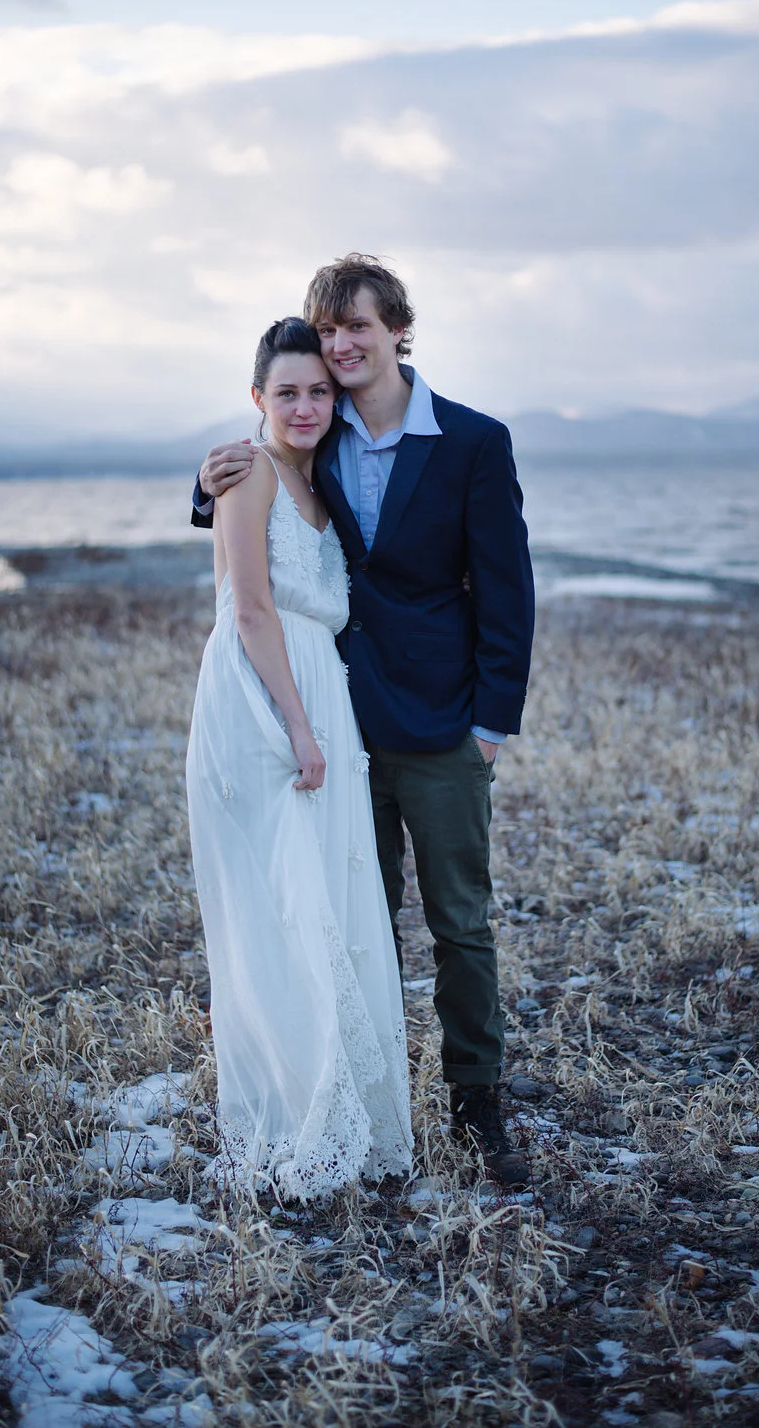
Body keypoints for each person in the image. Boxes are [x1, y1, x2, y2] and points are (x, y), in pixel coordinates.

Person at [191, 255, 536, 1189]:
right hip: (338, 719)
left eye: (359, 328)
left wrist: (492, 723)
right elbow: (265, 495)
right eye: (329, 329)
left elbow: (508, 589)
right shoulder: (321, 434)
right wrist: (206, 485)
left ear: (397, 331)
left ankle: (477, 1106)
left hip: (442, 722)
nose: (343, 346)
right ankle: (369, 1094)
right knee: (354, 916)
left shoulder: (472, 442)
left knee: (461, 921)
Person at [185, 316, 413, 1203]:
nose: (308, 404)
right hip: (263, 700)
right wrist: (301, 729)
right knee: (281, 905)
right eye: (288, 392)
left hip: (321, 695)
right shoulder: (245, 475)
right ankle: (295, 1118)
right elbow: (250, 609)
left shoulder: (320, 486)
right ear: (258, 400)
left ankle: (345, 1111)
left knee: (329, 891)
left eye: (319, 389)